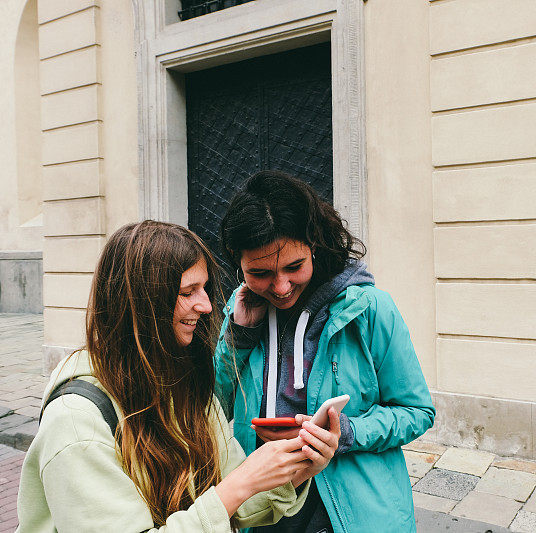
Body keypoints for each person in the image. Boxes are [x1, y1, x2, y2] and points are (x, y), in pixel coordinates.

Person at [17, 221, 341, 532]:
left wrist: (298, 468)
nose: (206, 306)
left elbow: (235, 506)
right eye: (188, 291)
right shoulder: (76, 420)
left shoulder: (186, 384)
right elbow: (228, 496)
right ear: (141, 303)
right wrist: (239, 484)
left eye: (204, 289)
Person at [214, 170, 435, 533]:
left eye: (294, 267)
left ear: (314, 244)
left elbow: (417, 411)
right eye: (260, 273)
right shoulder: (238, 314)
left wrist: (345, 432)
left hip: (352, 512)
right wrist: (239, 339)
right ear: (237, 263)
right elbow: (211, 405)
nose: (281, 287)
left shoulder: (369, 309)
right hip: (260, 507)